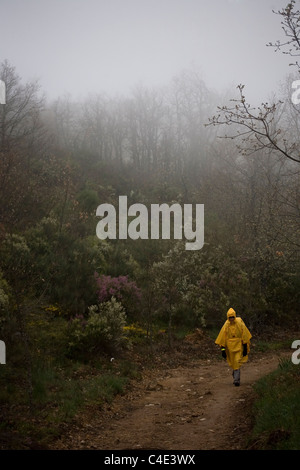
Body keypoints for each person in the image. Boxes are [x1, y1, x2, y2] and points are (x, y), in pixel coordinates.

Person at [215, 308, 252, 386]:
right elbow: (222, 338)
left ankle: (236, 380)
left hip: (239, 346)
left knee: (237, 361)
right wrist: (223, 350)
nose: (231, 319)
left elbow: (244, 334)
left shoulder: (239, 323)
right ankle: (235, 373)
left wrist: (245, 347)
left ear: (234, 317)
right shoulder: (226, 325)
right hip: (230, 348)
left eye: (232, 317)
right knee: (233, 362)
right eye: (230, 317)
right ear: (228, 317)